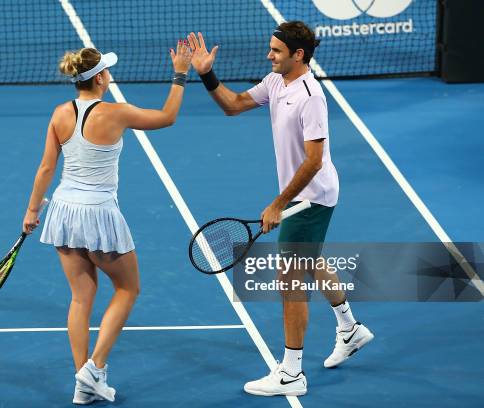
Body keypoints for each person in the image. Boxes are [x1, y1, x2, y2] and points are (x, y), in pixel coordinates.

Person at [187, 22, 374, 396]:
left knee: (290, 284)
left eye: (275, 51)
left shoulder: (311, 96)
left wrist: (278, 204)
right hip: (302, 197)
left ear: (297, 55)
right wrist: (207, 74)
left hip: (311, 199)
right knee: (311, 261)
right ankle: (350, 329)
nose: (268, 55)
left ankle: (292, 374)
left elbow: (314, 161)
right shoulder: (276, 82)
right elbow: (234, 106)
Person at [22, 41, 192, 404]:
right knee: (128, 289)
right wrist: (180, 74)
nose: (110, 75)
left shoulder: (59, 113)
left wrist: (32, 211)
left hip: (64, 211)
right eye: (107, 71)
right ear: (99, 79)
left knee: (81, 298)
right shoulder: (117, 113)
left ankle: (83, 382)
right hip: (98, 214)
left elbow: (46, 168)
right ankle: (94, 368)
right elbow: (167, 117)